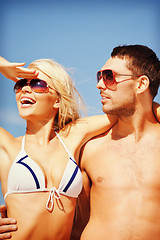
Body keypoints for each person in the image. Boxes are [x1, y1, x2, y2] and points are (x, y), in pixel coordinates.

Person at [0, 56, 117, 240]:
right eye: (21, 83)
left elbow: (132, 110)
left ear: (57, 101)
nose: (25, 89)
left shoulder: (73, 137)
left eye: (37, 84)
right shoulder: (7, 145)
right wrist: (3, 66)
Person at [77, 44, 160, 240]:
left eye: (109, 76)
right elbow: (71, 222)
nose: (99, 85)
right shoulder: (89, 148)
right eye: (100, 76)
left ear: (141, 84)